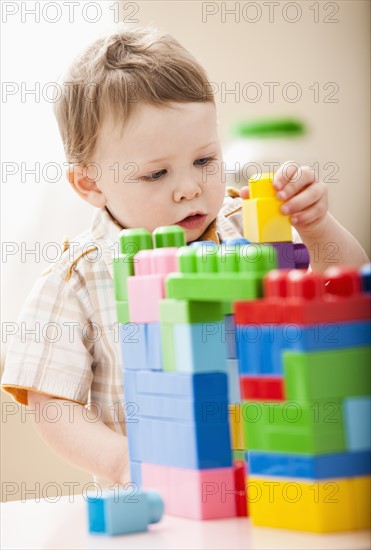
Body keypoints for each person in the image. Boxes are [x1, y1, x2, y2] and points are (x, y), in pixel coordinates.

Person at [1, 26, 368, 489]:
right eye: (156, 173)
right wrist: (119, 461)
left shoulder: (249, 227)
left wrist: (316, 226)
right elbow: (50, 402)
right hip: (161, 497)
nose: (189, 187)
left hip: (275, 477)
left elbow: (347, 289)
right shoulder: (77, 278)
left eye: (204, 161)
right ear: (90, 184)